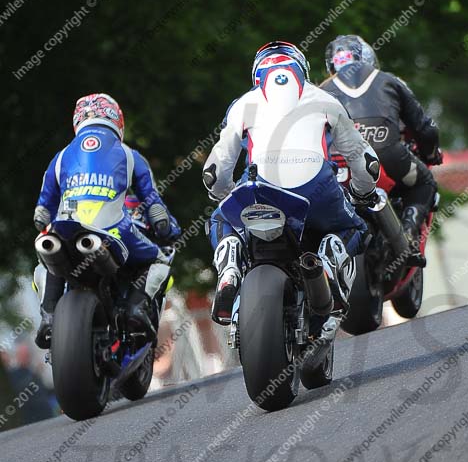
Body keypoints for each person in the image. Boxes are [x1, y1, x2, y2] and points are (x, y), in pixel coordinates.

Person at [202, 41, 380, 339]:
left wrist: (226, 197)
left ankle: (230, 262)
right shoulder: (327, 100)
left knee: (221, 220)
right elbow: (362, 159)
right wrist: (362, 191)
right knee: (355, 228)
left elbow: (216, 169)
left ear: (257, 74)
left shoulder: (242, 104)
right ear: (303, 71)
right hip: (319, 190)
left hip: (259, 188)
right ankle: (330, 257)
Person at [33, 93, 180, 349]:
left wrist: (46, 220)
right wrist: (165, 228)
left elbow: (42, 211)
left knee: (45, 260)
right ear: (118, 122)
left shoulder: (61, 156)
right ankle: (136, 309)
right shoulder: (130, 155)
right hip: (116, 231)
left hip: (64, 229)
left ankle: (48, 316)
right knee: (159, 260)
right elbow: (154, 206)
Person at [321, 35, 442, 258]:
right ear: (367, 57)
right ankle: (407, 234)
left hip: (336, 162)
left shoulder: (318, 91)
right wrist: (431, 153)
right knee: (424, 182)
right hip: (387, 154)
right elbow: (425, 128)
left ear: (331, 66)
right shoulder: (389, 80)